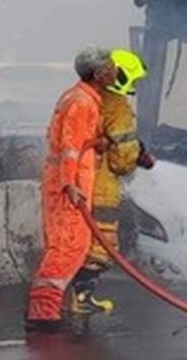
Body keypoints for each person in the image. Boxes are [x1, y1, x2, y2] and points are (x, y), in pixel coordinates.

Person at [25, 47, 116, 334]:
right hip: (69, 186)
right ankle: (42, 311)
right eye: (111, 67)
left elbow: (78, 141)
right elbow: (69, 148)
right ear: (99, 73)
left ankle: (47, 308)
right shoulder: (82, 102)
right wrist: (70, 184)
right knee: (66, 247)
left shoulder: (81, 98)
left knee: (72, 246)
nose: (115, 71)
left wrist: (96, 144)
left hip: (71, 183)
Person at [70, 49, 155, 316]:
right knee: (101, 247)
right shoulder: (118, 107)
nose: (135, 85)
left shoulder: (87, 98)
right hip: (101, 186)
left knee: (75, 243)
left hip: (76, 182)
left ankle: (64, 296)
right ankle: (82, 297)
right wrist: (136, 157)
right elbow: (121, 161)